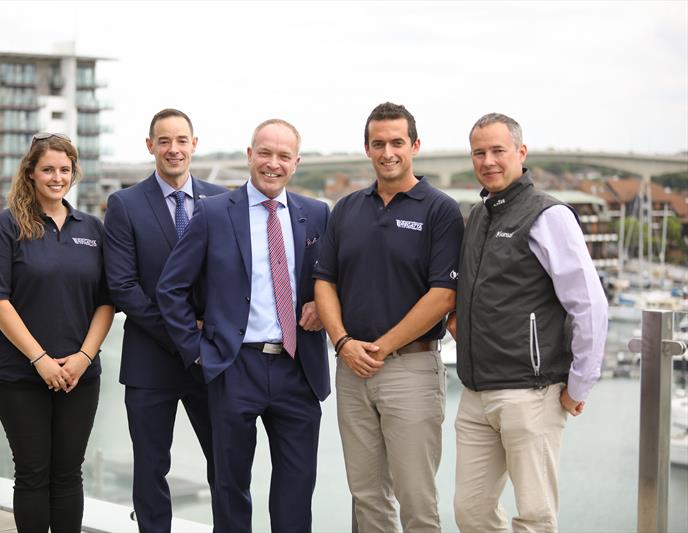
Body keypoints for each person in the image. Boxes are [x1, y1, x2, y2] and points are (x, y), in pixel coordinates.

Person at [156, 119, 330, 533]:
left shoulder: (317, 214)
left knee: (297, 486)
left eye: (283, 156)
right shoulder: (214, 213)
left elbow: (335, 281)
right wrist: (197, 350)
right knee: (231, 486)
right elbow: (171, 288)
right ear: (250, 155)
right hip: (234, 367)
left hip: (298, 367)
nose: (273, 163)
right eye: (265, 153)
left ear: (296, 163)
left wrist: (325, 308)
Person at [452, 113, 608, 532]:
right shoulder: (480, 215)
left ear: (520, 153)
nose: (488, 161)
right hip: (475, 392)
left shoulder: (548, 215)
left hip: (531, 392)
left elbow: (590, 304)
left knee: (535, 516)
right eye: (479, 153)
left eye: (498, 151)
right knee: (470, 511)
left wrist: (580, 384)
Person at [314, 102, 463, 532]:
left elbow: (443, 295)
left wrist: (381, 346)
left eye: (397, 142)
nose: (388, 152)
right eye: (378, 143)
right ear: (367, 148)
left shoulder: (440, 210)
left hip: (410, 368)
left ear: (415, 145)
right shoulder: (346, 209)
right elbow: (324, 281)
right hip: (351, 367)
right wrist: (342, 342)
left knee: (416, 499)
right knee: (366, 497)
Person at [0, 133, 114, 533]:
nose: (57, 177)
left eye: (64, 170)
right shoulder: (6, 227)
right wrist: (40, 360)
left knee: (69, 474)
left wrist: (83, 358)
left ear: (74, 174)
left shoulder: (91, 228)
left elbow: (106, 302)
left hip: (78, 375)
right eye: (48, 169)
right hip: (18, 374)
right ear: (31, 173)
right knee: (34, 473)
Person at [103, 108, 226, 532]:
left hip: (211, 360)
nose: (174, 149)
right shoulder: (124, 204)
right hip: (150, 360)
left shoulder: (222, 198)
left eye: (181, 140)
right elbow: (123, 288)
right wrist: (181, 335)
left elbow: (234, 276)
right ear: (150, 145)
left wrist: (206, 337)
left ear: (195, 144)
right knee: (151, 468)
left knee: (225, 463)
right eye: (164, 141)